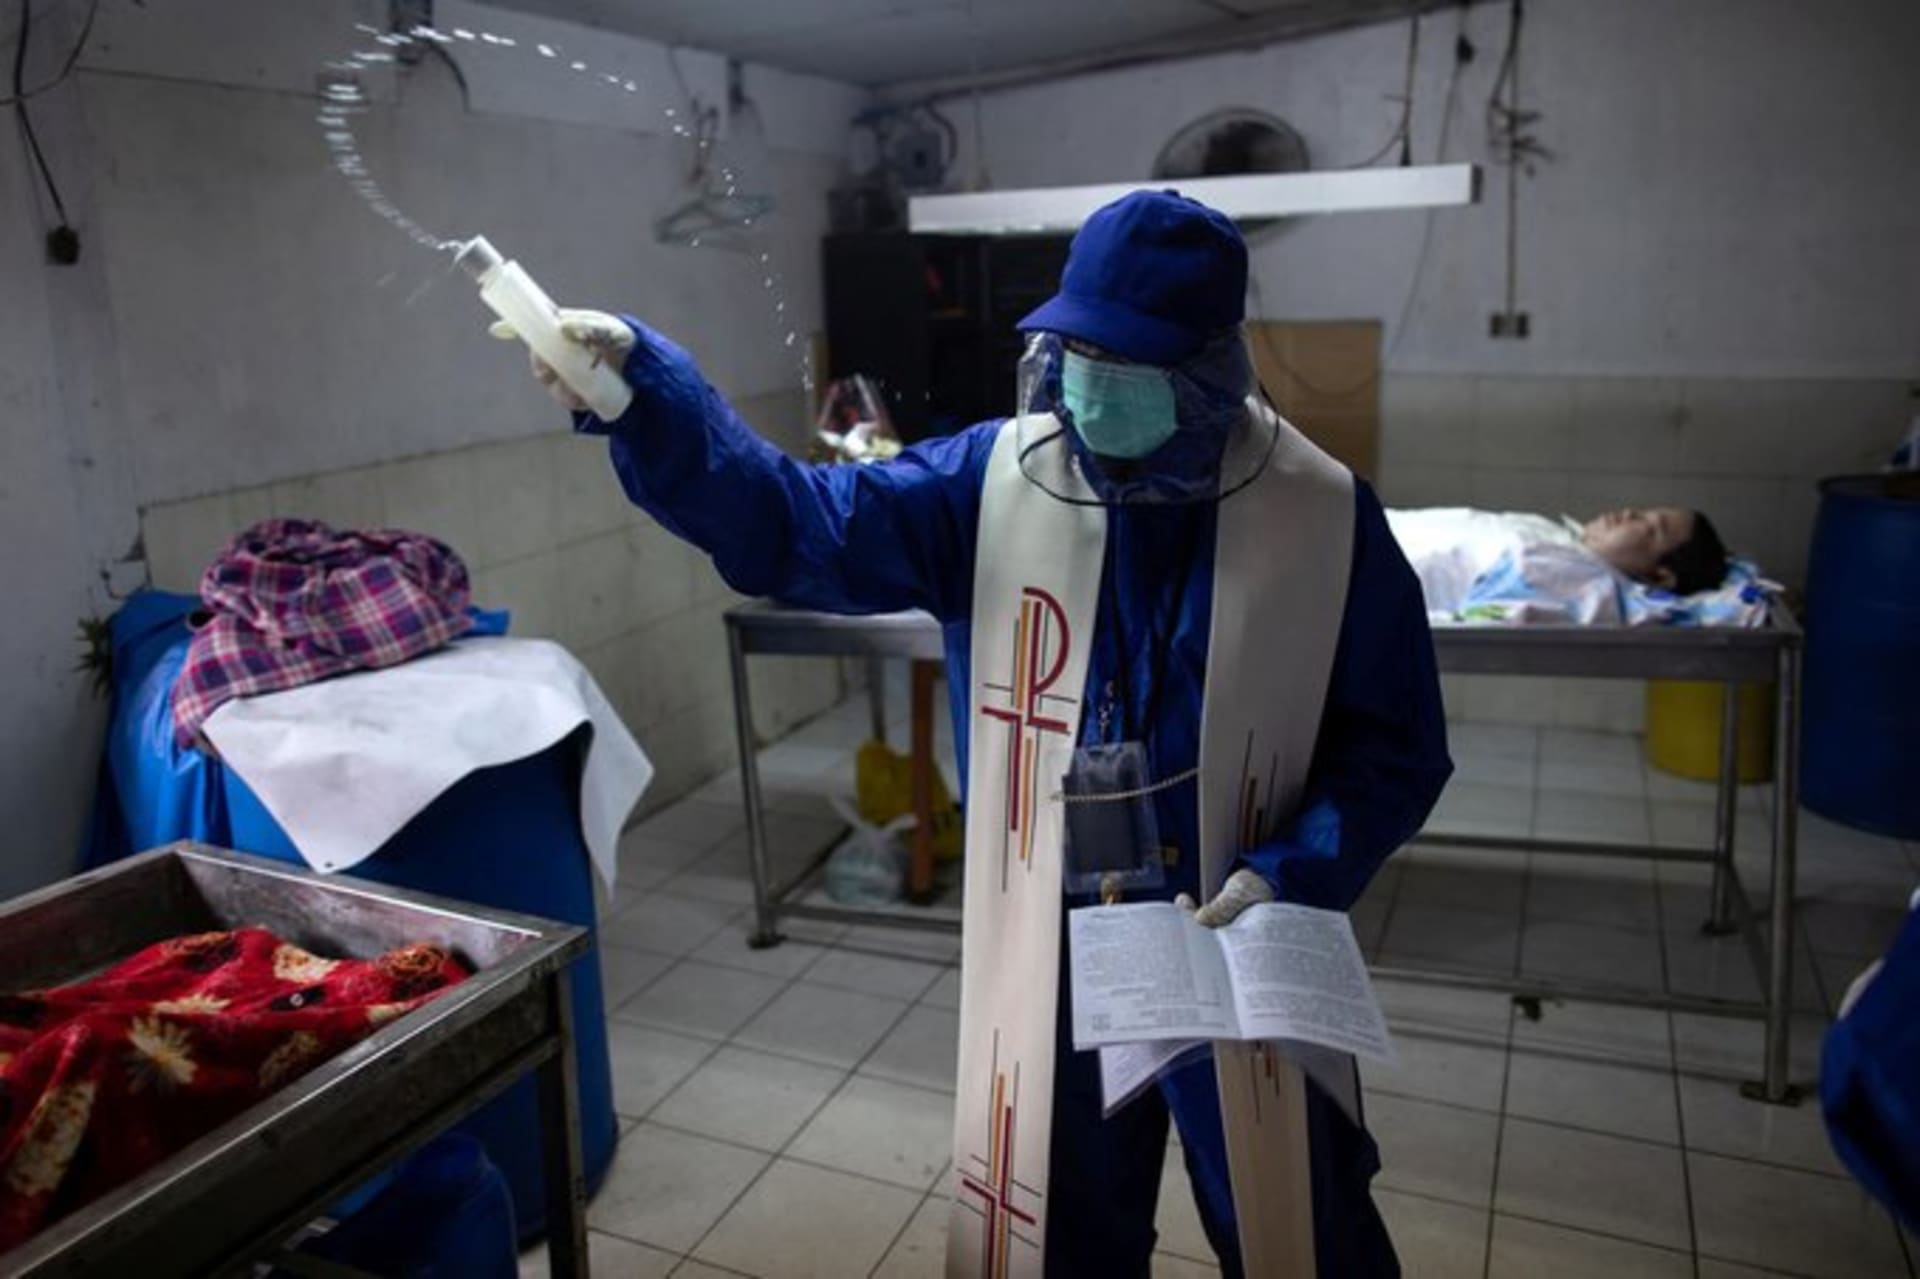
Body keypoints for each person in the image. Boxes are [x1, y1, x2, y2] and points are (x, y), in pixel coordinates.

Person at [499, 191, 1450, 1277]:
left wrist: (1290, 874)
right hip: (1055, 914)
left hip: (1236, 920)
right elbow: (797, 528)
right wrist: (647, 400)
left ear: (1208, 365)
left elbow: (1396, 746)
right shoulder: (992, 480)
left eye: (1123, 359)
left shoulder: (1322, 515)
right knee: (1050, 1210)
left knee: (1297, 1209)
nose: (1088, 382)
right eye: (1075, 348)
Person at [1387, 504, 1731, 626]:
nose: (1628, 513)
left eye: (1649, 526)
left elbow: (1481, 619)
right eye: (1641, 509)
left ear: (1659, 575)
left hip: (1359, 563)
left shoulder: (1578, 579)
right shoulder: (1567, 541)